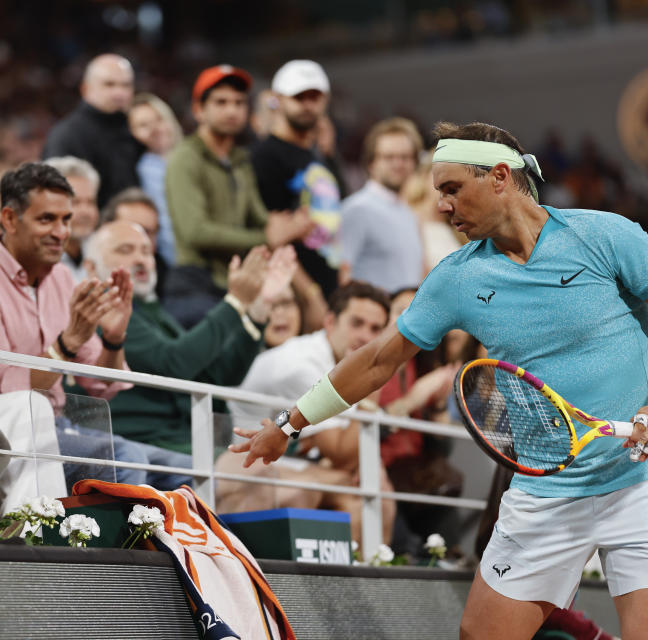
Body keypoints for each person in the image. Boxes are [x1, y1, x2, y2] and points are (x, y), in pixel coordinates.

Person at [232, 121, 648, 640]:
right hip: (546, 490)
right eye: (438, 193)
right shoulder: (457, 277)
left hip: (638, 482)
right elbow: (379, 359)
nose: (442, 206)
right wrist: (290, 422)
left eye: (453, 189)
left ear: (499, 176)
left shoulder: (603, 235)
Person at [0, 162, 190, 490]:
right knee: (125, 457)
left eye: (65, 219)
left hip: (60, 426)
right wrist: (67, 344)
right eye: (47, 219)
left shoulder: (60, 278)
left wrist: (113, 339)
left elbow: (103, 385)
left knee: (189, 471)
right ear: (10, 219)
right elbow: (11, 395)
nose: (61, 232)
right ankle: (110, 544)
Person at [83, 219, 293, 455]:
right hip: (143, 445)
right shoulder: (100, 311)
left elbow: (219, 374)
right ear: (91, 268)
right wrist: (235, 302)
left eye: (146, 251)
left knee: (281, 468)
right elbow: (172, 363)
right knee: (266, 469)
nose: (140, 259)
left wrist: (259, 306)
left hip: (187, 442)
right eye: (125, 250)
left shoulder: (152, 311)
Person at [228, 281, 397, 544]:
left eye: (375, 329)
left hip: (290, 461)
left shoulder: (333, 357)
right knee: (370, 486)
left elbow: (346, 449)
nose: (365, 336)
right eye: (357, 323)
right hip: (242, 464)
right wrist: (370, 390)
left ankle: (371, 577)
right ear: (330, 322)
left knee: (374, 486)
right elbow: (340, 453)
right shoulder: (302, 365)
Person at [163, 64, 312, 328]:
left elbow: (257, 216)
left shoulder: (240, 160)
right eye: (221, 102)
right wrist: (266, 237)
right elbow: (194, 231)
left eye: (239, 103)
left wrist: (290, 225)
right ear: (199, 110)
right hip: (194, 284)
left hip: (235, 282)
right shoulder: (185, 158)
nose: (231, 110)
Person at [251, 60, 343, 301]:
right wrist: (310, 295)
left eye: (315, 97)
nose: (307, 105)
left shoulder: (319, 154)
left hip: (329, 281)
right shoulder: (265, 156)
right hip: (293, 293)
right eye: (298, 97)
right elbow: (272, 236)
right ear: (279, 99)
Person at [41, 53, 141, 208]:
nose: (119, 93)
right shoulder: (67, 135)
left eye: (126, 85)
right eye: (109, 84)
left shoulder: (136, 131)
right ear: (85, 89)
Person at [339, 117, 425, 292]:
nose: (398, 164)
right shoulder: (357, 209)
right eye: (389, 157)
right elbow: (342, 274)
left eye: (405, 157)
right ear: (371, 162)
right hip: (373, 317)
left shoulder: (408, 213)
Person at [128, 92, 182, 265]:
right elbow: (165, 226)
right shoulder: (146, 168)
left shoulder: (190, 157)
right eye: (143, 125)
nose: (156, 129)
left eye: (159, 119)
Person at [43, 156, 100, 283]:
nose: (86, 212)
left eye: (91, 202)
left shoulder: (102, 251)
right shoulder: (33, 259)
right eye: (75, 202)